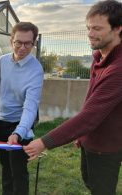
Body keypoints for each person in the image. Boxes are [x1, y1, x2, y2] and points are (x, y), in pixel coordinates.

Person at [24, 1, 122, 195]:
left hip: (107, 146)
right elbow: (90, 100)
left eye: (97, 28)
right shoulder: (99, 58)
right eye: (88, 28)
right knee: (89, 182)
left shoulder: (118, 69)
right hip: (90, 140)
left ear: (118, 29)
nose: (90, 33)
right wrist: (81, 134)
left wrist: (44, 142)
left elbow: (90, 116)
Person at [0, 22, 43, 195]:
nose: (22, 48)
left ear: (33, 43)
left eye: (27, 43)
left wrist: (18, 133)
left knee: (19, 171)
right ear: (11, 41)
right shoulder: (1, 62)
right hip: (1, 122)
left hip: (20, 123)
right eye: (18, 42)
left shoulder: (36, 69)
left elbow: (30, 107)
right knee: (6, 168)